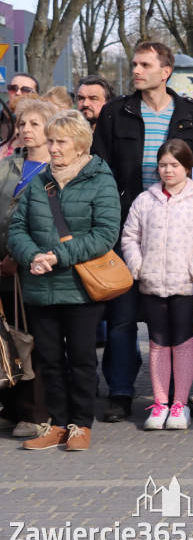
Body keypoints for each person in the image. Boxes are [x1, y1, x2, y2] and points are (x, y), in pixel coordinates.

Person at [91, 40, 193, 423]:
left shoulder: (191, 114)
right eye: (134, 64)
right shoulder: (116, 112)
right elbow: (100, 169)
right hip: (128, 227)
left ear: (165, 71)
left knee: (177, 326)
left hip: (178, 233)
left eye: (144, 65)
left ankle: (178, 396)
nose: (136, 70)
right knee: (123, 318)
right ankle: (120, 392)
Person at [10, 110, 120, 451]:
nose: (53, 148)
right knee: (49, 359)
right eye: (51, 141)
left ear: (80, 144)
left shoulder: (100, 179)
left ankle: (81, 424)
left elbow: (105, 234)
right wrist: (32, 256)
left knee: (82, 359)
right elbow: (17, 229)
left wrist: (57, 256)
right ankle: (57, 423)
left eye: (61, 142)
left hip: (80, 287)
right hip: (40, 286)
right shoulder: (39, 180)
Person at [121, 139, 193, 431]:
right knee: (157, 343)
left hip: (185, 285)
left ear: (187, 168)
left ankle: (180, 404)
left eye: (174, 165)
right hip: (151, 282)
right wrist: (138, 266)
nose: (168, 170)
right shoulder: (145, 200)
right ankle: (160, 403)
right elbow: (130, 236)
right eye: (163, 165)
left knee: (182, 343)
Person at [0, 99, 60, 439]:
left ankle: (35, 412)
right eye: (22, 124)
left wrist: (17, 257)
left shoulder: (55, 169)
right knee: (7, 337)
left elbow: (50, 223)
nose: (26, 130)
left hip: (34, 267)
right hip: (2, 268)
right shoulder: (8, 165)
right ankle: (9, 408)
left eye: (34, 124)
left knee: (33, 340)